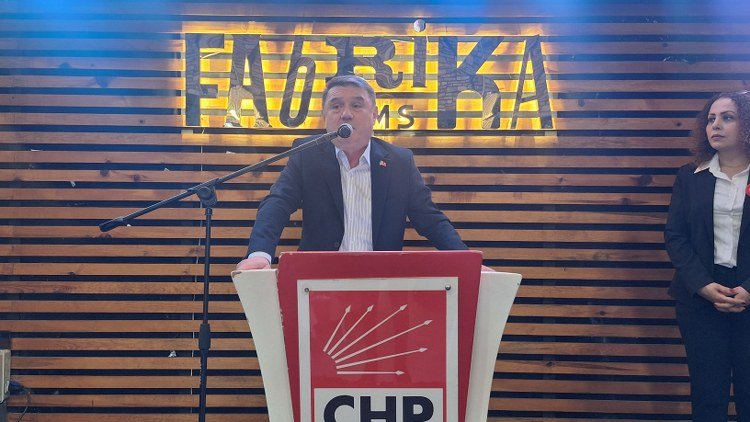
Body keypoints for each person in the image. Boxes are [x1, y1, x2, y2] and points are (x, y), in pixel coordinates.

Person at [236, 75, 468, 271]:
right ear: (325, 115)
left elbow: (429, 219)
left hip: (381, 282)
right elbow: (277, 204)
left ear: (374, 114)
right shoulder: (307, 154)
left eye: (356, 105)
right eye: (336, 106)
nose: (346, 114)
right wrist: (260, 254)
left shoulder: (399, 162)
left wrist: (466, 261)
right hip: (318, 281)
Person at [665, 90, 750, 421]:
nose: (716, 125)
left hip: (748, 291)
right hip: (701, 299)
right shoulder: (690, 176)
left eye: (728, 118)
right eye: (711, 118)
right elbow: (676, 236)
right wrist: (702, 285)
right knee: (707, 394)